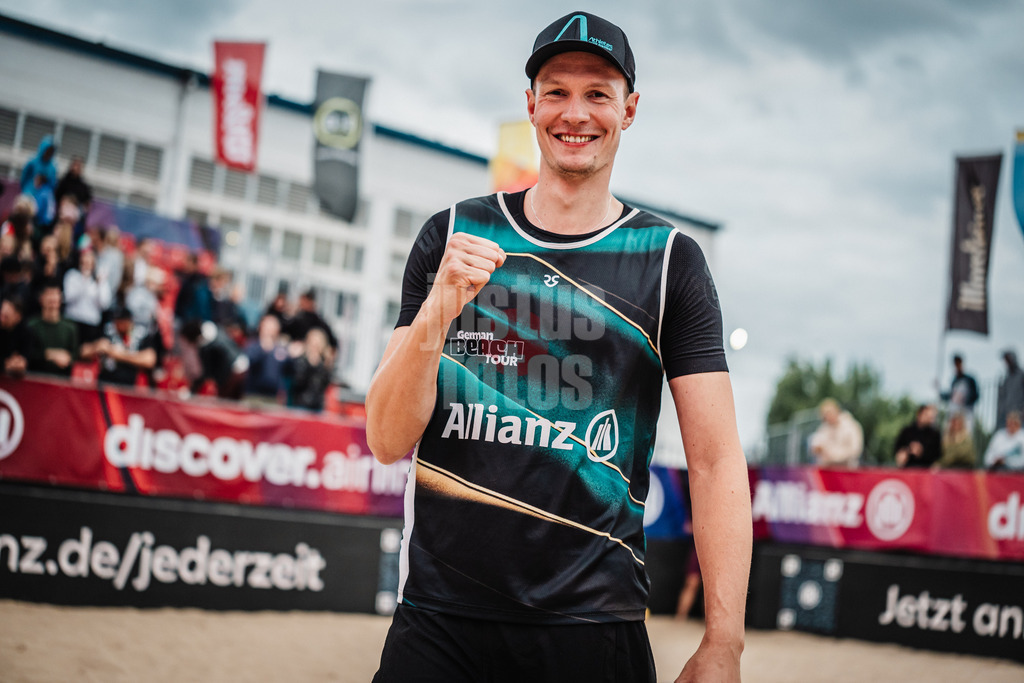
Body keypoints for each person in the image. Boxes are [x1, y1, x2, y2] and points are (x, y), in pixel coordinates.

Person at [366, 12, 750, 683]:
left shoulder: (668, 261)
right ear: (531, 105)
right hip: (441, 622)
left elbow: (715, 461)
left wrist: (724, 643)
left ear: (629, 110)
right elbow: (385, 436)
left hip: (592, 629)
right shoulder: (453, 234)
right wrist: (439, 311)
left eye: (598, 93)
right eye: (557, 91)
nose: (576, 113)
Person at [86, 305, 160, 387]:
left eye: (122, 322)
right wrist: (96, 347)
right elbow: (82, 351)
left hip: (129, 387)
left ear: (130, 321)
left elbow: (150, 360)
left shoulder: (141, 335)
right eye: (117, 321)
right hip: (105, 384)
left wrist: (119, 355)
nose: (119, 325)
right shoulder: (107, 332)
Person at [180, 320, 249, 399]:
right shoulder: (216, 331)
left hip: (235, 372)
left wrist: (192, 391)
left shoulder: (207, 347)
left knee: (224, 400)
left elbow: (207, 372)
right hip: (242, 366)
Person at [26, 281, 78, 377]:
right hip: (36, 378)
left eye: (56, 294)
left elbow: (75, 354)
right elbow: (28, 353)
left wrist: (68, 358)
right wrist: (49, 354)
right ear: (41, 298)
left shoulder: (70, 327)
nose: (52, 298)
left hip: (62, 380)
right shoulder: (31, 325)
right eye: (49, 294)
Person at [243, 314, 289, 405]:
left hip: (273, 399)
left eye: (273, 327)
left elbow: (286, 371)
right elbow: (248, 362)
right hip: (253, 397)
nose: (270, 330)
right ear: (261, 327)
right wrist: (263, 349)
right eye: (268, 326)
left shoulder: (280, 349)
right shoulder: (253, 346)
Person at [285, 327, 333, 411]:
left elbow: (324, 385)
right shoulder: (301, 360)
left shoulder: (324, 364)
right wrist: (309, 363)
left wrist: (327, 364)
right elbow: (298, 381)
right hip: (300, 404)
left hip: (317, 406)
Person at [809, 398, 863, 468]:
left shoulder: (852, 426)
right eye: (825, 415)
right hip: (827, 470)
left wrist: (833, 456)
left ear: (837, 411)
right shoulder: (823, 428)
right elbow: (815, 445)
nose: (827, 417)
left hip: (847, 470)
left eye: (829, 413)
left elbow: (855, 451)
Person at [893, 404, 942, 468]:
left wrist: (922, 452)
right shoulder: (906, 431)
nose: (930, 419)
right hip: (907, 469)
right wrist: (906, 451)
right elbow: (897, 449)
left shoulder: (935, 434)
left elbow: (937, 455)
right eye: (927, 415)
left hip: (926, 470)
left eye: (932, 417)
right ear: (919, 414)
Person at [941, 354, 979, 430]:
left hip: (966, 413)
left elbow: (976, 395)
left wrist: (964, 399)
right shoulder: (954, 381)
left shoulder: (969, 380)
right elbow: (950, 396)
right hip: (954, 413)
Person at [0, 295, 30, 377]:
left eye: (6, 317)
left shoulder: (26, 332)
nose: (1, 319)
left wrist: (20, 362)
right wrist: (4, 364)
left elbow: (27, 356)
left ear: (18, 317)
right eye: (1, 314)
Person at [996, 350, 1024, 430]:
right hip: (1006, 416)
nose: (1006, 362)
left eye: (1008, 359)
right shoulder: (1006, 378)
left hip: (1019, 415)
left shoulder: (1021, 375)